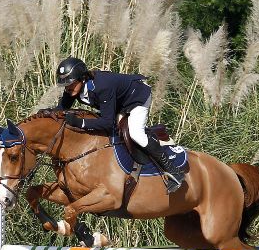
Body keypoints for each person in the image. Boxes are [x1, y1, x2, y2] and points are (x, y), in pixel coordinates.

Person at [54, 57, 184, 194]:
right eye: (65, 85)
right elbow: (61, 108)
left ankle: (174, 171)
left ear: (82, 78)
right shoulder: (73, 89)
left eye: (70, 84)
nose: (67, 88)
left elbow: (107, 122)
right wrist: (46, 113)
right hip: (119, 102)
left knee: (136, 134)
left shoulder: (102, 86)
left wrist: (79, 122)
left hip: (137, 98)